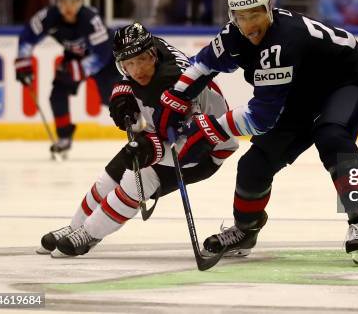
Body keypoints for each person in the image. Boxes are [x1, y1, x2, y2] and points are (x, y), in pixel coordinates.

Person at [156, 0, 358, 265]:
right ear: (232, 16)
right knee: (254, 165)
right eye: (241, 16)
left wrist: (209, 127)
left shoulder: (282, 43)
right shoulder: (233, 35)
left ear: (269, 9)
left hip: (344, 82)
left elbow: (260, 118)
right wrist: (175, 97)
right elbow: (202, 66)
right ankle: (246, 229)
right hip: (298, 92)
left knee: (332, 136)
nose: (249, 25)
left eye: (255, 14)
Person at [36, 23, 239, 257]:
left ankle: (89, 233)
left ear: (151, 54)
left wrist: (150, 148)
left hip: (208, 146)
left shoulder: (173, 82)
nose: (137, 69)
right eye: (129, 64)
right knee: (109, 177)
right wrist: (122, 93)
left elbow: (185, 139)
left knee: (140, 178)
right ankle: (74, 227)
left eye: (142, 60)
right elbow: (129, 80)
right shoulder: (152, 47)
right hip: (175, 131)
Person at [14, 0, 119, 157]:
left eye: (74, 2)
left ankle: (140, 126)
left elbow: (102, 53)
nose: (69, 7)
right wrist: (23, 63)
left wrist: (77, 70)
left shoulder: (91, 20)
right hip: (74, 57)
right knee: (58, 94)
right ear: (58, 1)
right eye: (64, 2)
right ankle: (64, 137)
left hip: (106, 58)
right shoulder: (48, 17)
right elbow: (28, 36)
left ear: (81, 2)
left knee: (112, 99)